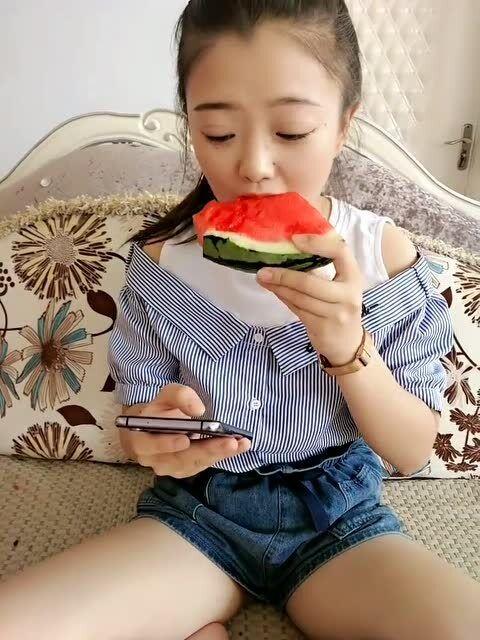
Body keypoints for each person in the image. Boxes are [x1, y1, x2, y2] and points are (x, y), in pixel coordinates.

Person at [1, 1, 479, 639]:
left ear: (344, 124)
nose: (253, 165)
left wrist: (349, 350)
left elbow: (412, 448)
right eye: (220, 134)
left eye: (292, 131)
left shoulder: (383, 256)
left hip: (340, 523)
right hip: (198, 516)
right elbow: (140, 430)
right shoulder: (159, 263)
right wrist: (155, 439)